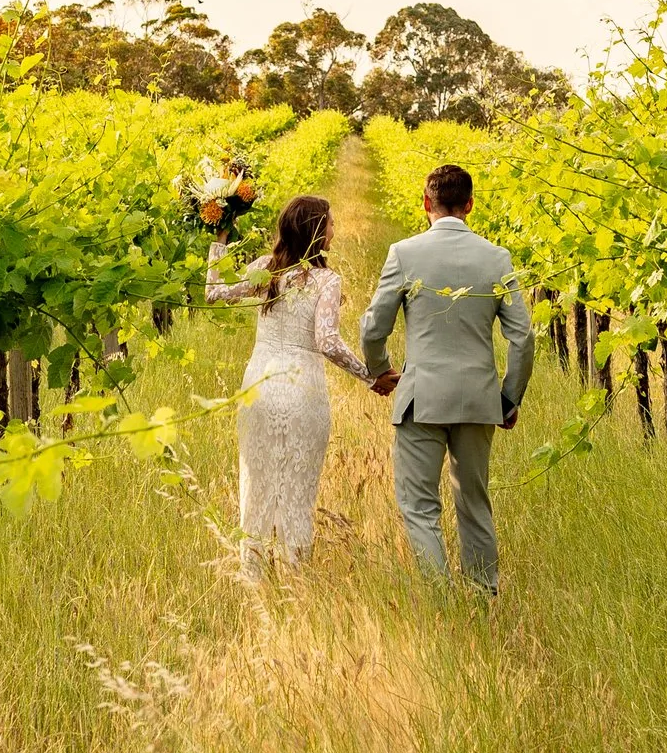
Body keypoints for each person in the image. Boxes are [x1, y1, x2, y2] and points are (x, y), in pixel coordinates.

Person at [358, 162, 533, 595]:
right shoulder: (497, 258)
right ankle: (481, 594)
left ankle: (440, 599)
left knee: (419, 507)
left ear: (425, 204)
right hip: (479, 399)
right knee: (474, 503)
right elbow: (523, 338)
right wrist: (508, 399)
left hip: (421, 398)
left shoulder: (404, 253)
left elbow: (372, 328)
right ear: (470, 204)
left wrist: (381, 370)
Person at [205, 192, 370, 581]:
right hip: (302, 388)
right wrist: (369, 376)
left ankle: (254, 574)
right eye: (330, 222)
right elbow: (327, 342)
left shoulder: (266, 269)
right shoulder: (327, 280)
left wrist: (219, 241)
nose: (334, 229)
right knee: (298, 485)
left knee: (257, 482)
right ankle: (295, 578)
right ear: (315, 230)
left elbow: (213, 294)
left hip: (259, 385)